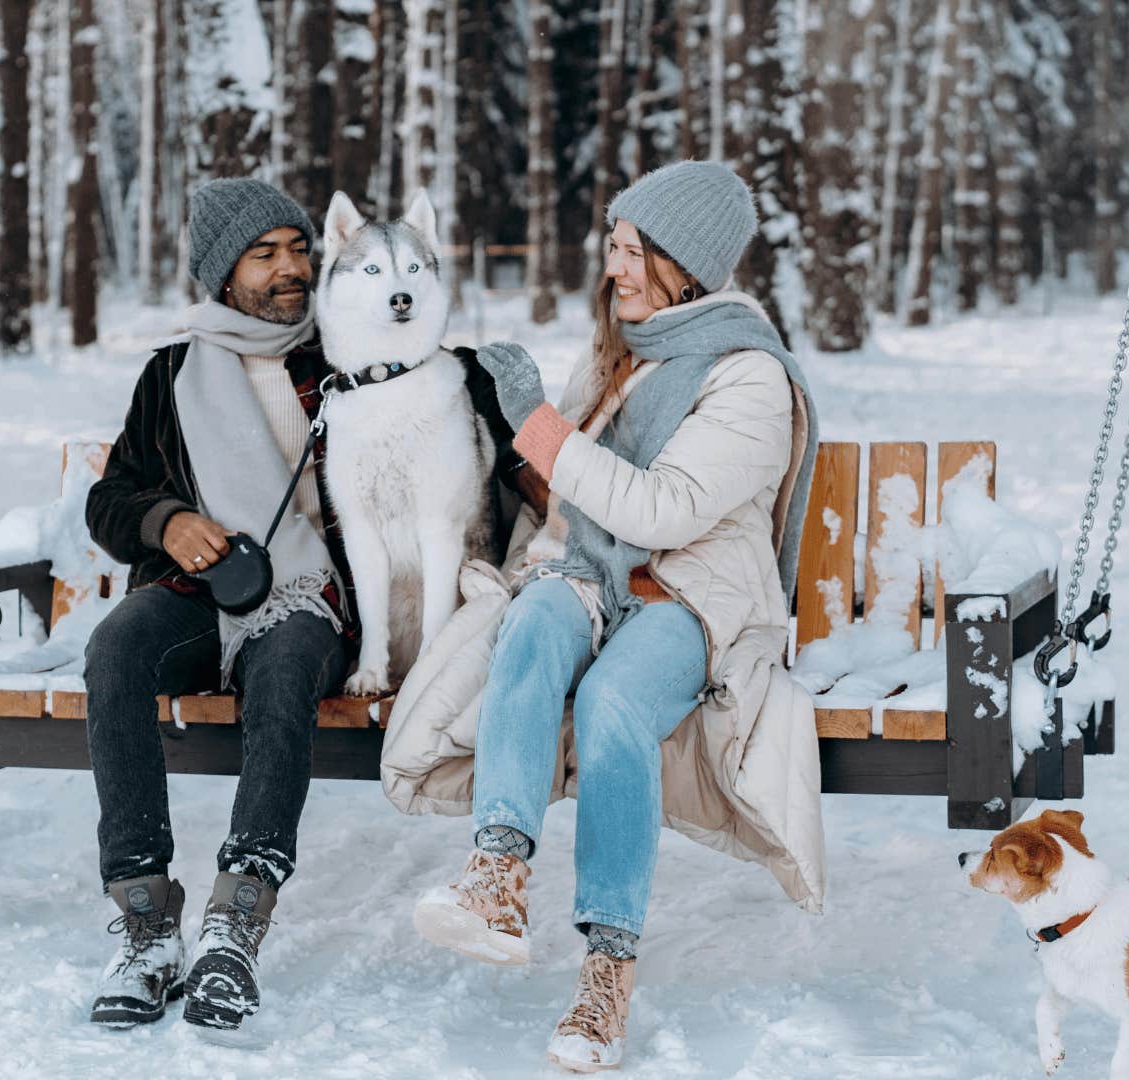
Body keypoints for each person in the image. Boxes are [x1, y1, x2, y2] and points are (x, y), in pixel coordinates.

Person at [384, 161, 825, 1072]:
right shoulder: (622, 348)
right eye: (613, 248)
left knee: (615, 702)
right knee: (535, 625)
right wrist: (506, 425)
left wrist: (541, 423)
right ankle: (499, 873)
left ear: (685, 265)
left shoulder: (750, 378)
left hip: (688, 590)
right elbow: (569, 490)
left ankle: (607, 968)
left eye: (632, 252)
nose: (614, 269)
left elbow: (661, 512)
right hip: (586, 568)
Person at [80, 178, 349, 1036]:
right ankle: (147, 922)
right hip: (202, 588)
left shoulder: (349, 359)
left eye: (300, 248)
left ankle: (236, 922)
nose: (290, 270)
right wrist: (170, 520)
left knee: (288, 663)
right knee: (118, 647)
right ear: (222, 274)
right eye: (264, 254)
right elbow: (113, 498)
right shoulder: (174, 373)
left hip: (316, 596)